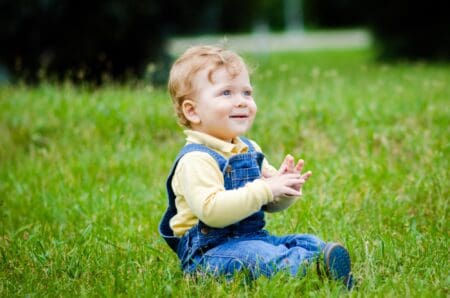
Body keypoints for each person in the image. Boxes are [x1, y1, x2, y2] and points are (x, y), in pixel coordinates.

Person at [159, 45, 353, 289]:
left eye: (247, 93)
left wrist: (284, 188)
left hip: (252, 238)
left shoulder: (249, 149)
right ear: (193, 110)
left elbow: (268, 202)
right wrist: (266, 188)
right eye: (226, 93)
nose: (241, 102)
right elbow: (213, 212)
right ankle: (316, 270)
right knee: (260, 258)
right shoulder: (196, 160)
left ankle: (319, 258)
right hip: (210, 253)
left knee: (306, 242)